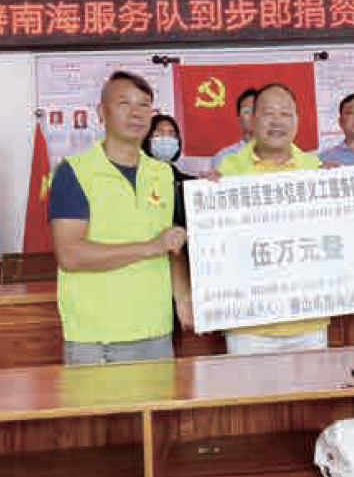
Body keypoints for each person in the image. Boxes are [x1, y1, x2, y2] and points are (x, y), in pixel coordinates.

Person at [49, 70, 193, 366]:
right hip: (97, 336)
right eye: (124, 103)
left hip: (157, 330)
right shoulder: (74, 172)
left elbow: (172, 245)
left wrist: (183, 297)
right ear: (102, 112)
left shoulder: (163, 174)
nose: (136, 113)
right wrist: (151, 247)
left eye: (144, 105)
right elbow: (70, 255)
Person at [217, 83, 329, 355]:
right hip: (247, 323)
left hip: (309, 320)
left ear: (297, 120)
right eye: (268, 113)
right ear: (252, 119)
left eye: (285, 114)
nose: (277, 121)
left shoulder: (317, 170)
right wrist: (204, 194)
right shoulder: (227, 171)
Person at [141, 113, 195, 227]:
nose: (166, 138)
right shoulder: (137, 179)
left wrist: (209, 185)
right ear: (147, 139)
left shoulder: (190, 182)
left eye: (172, 134)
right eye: (159, 133)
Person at [211, 88, 257, 169]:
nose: (253, 116)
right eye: (247, 111)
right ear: (239, 120)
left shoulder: (280, 155)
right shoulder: (223, 157)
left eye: (257, 110)